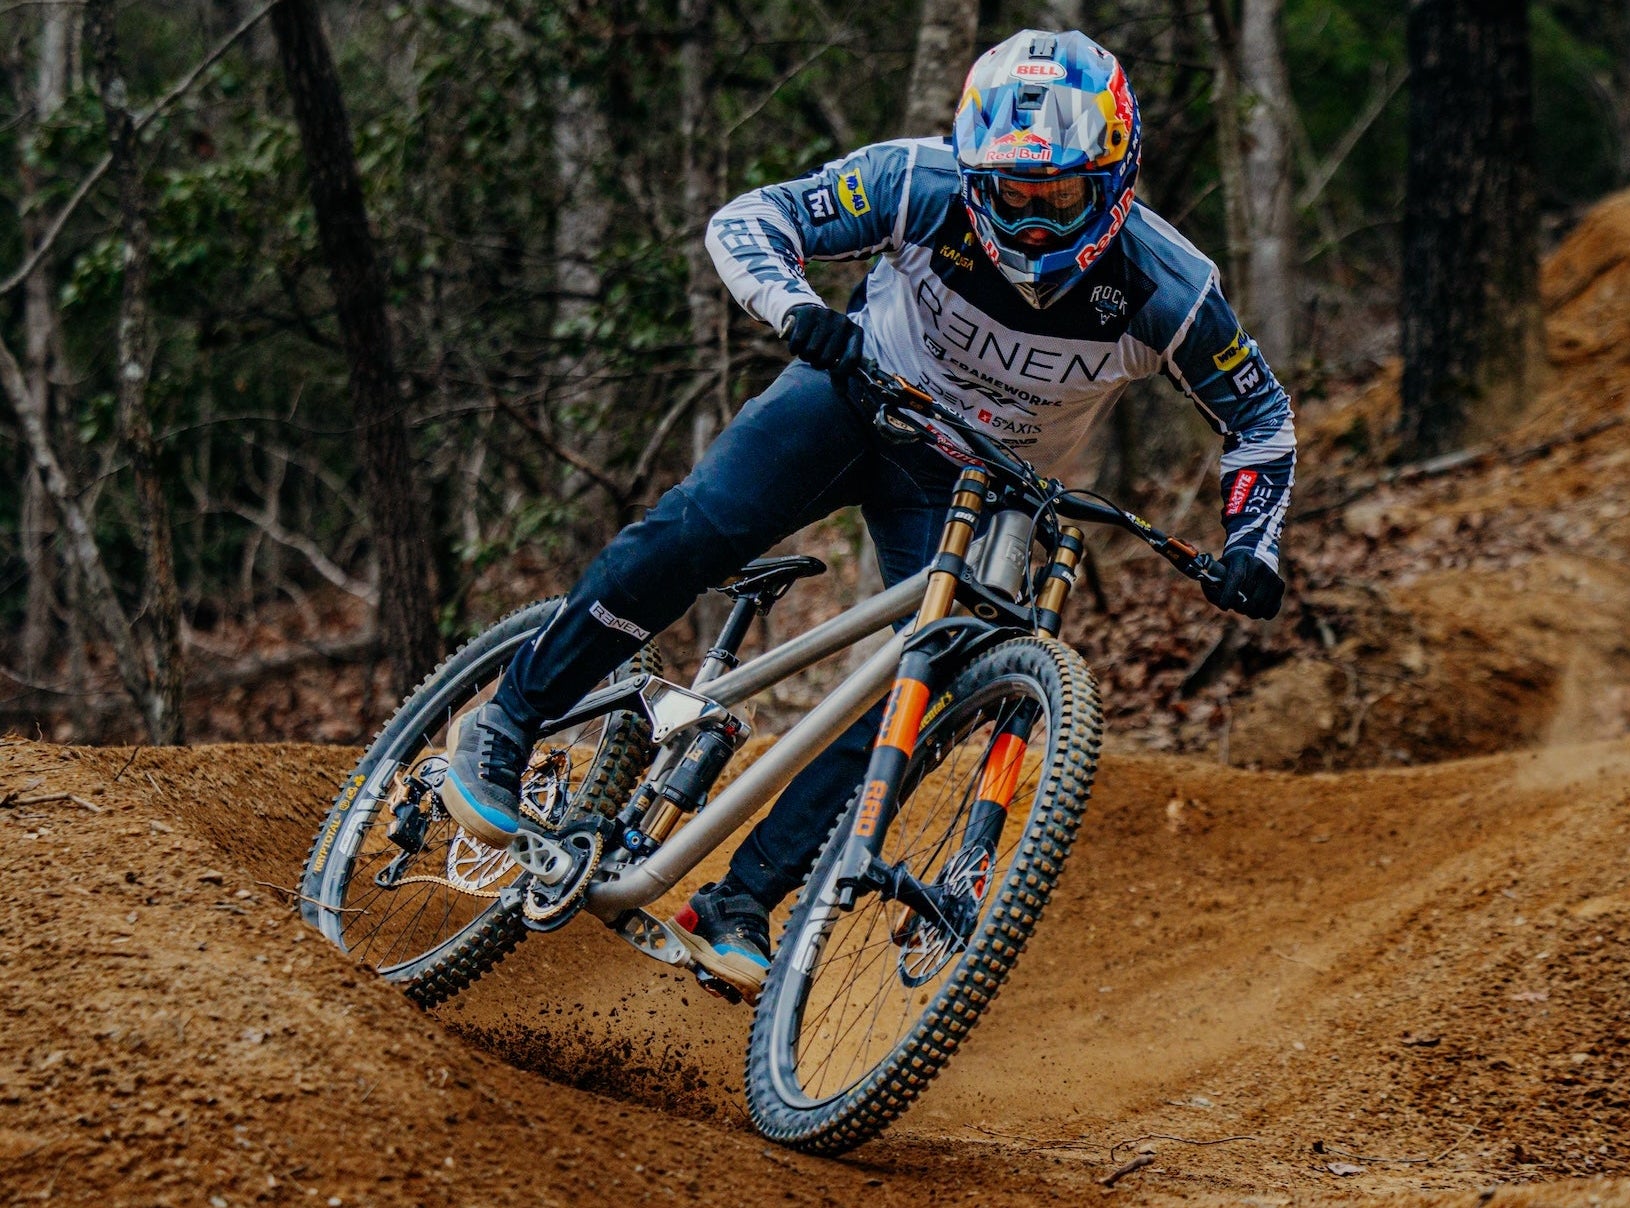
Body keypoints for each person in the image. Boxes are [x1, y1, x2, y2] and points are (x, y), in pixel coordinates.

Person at [435, 29, 1294, 998]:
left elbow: (1258, 418)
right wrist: (793, 306)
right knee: (705, 522)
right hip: (851, 401)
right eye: (1014, 192)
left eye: (1060, 192)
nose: (1037, 218)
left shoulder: (1168, 289)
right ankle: (510, 717)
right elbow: (752, 219)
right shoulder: (919, 184)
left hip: (978, 487)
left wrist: (1252, 544)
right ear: (978, 173)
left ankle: (737, 903)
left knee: (926, 691)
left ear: (1116, 174)